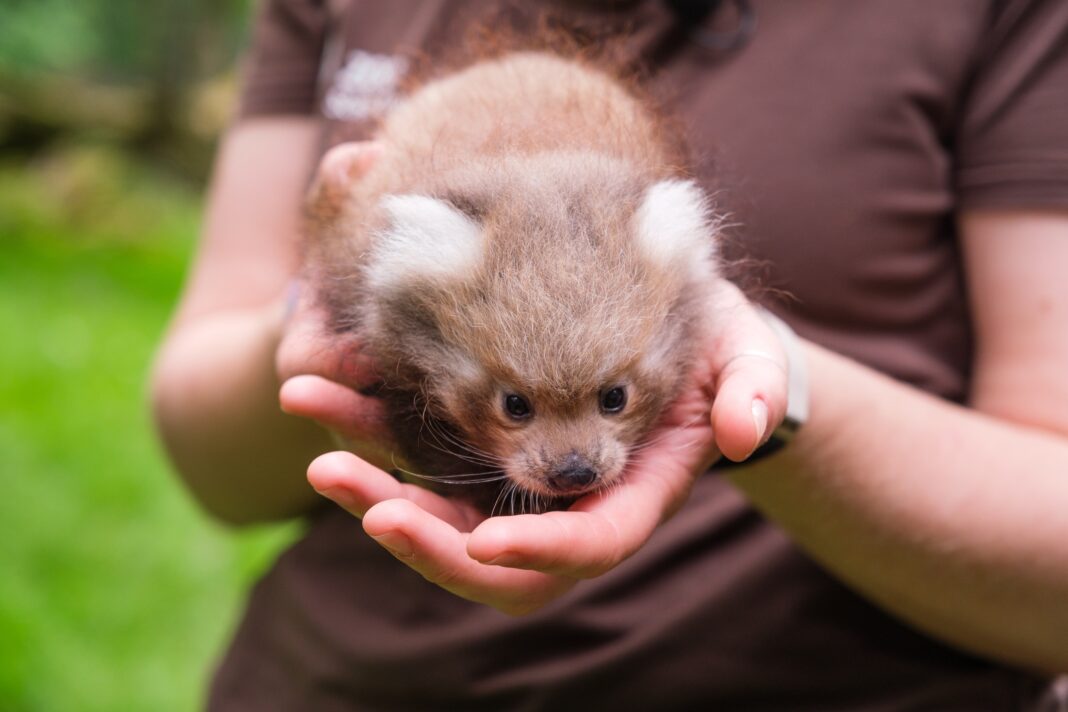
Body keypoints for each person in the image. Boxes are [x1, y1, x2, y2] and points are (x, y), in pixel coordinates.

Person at [151, 0, 1068, 708]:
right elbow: (208, 468)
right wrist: (316, 329)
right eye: (517, 407)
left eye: (613, 400)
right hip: (332, 679)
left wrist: (760, 400)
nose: (574, 458)